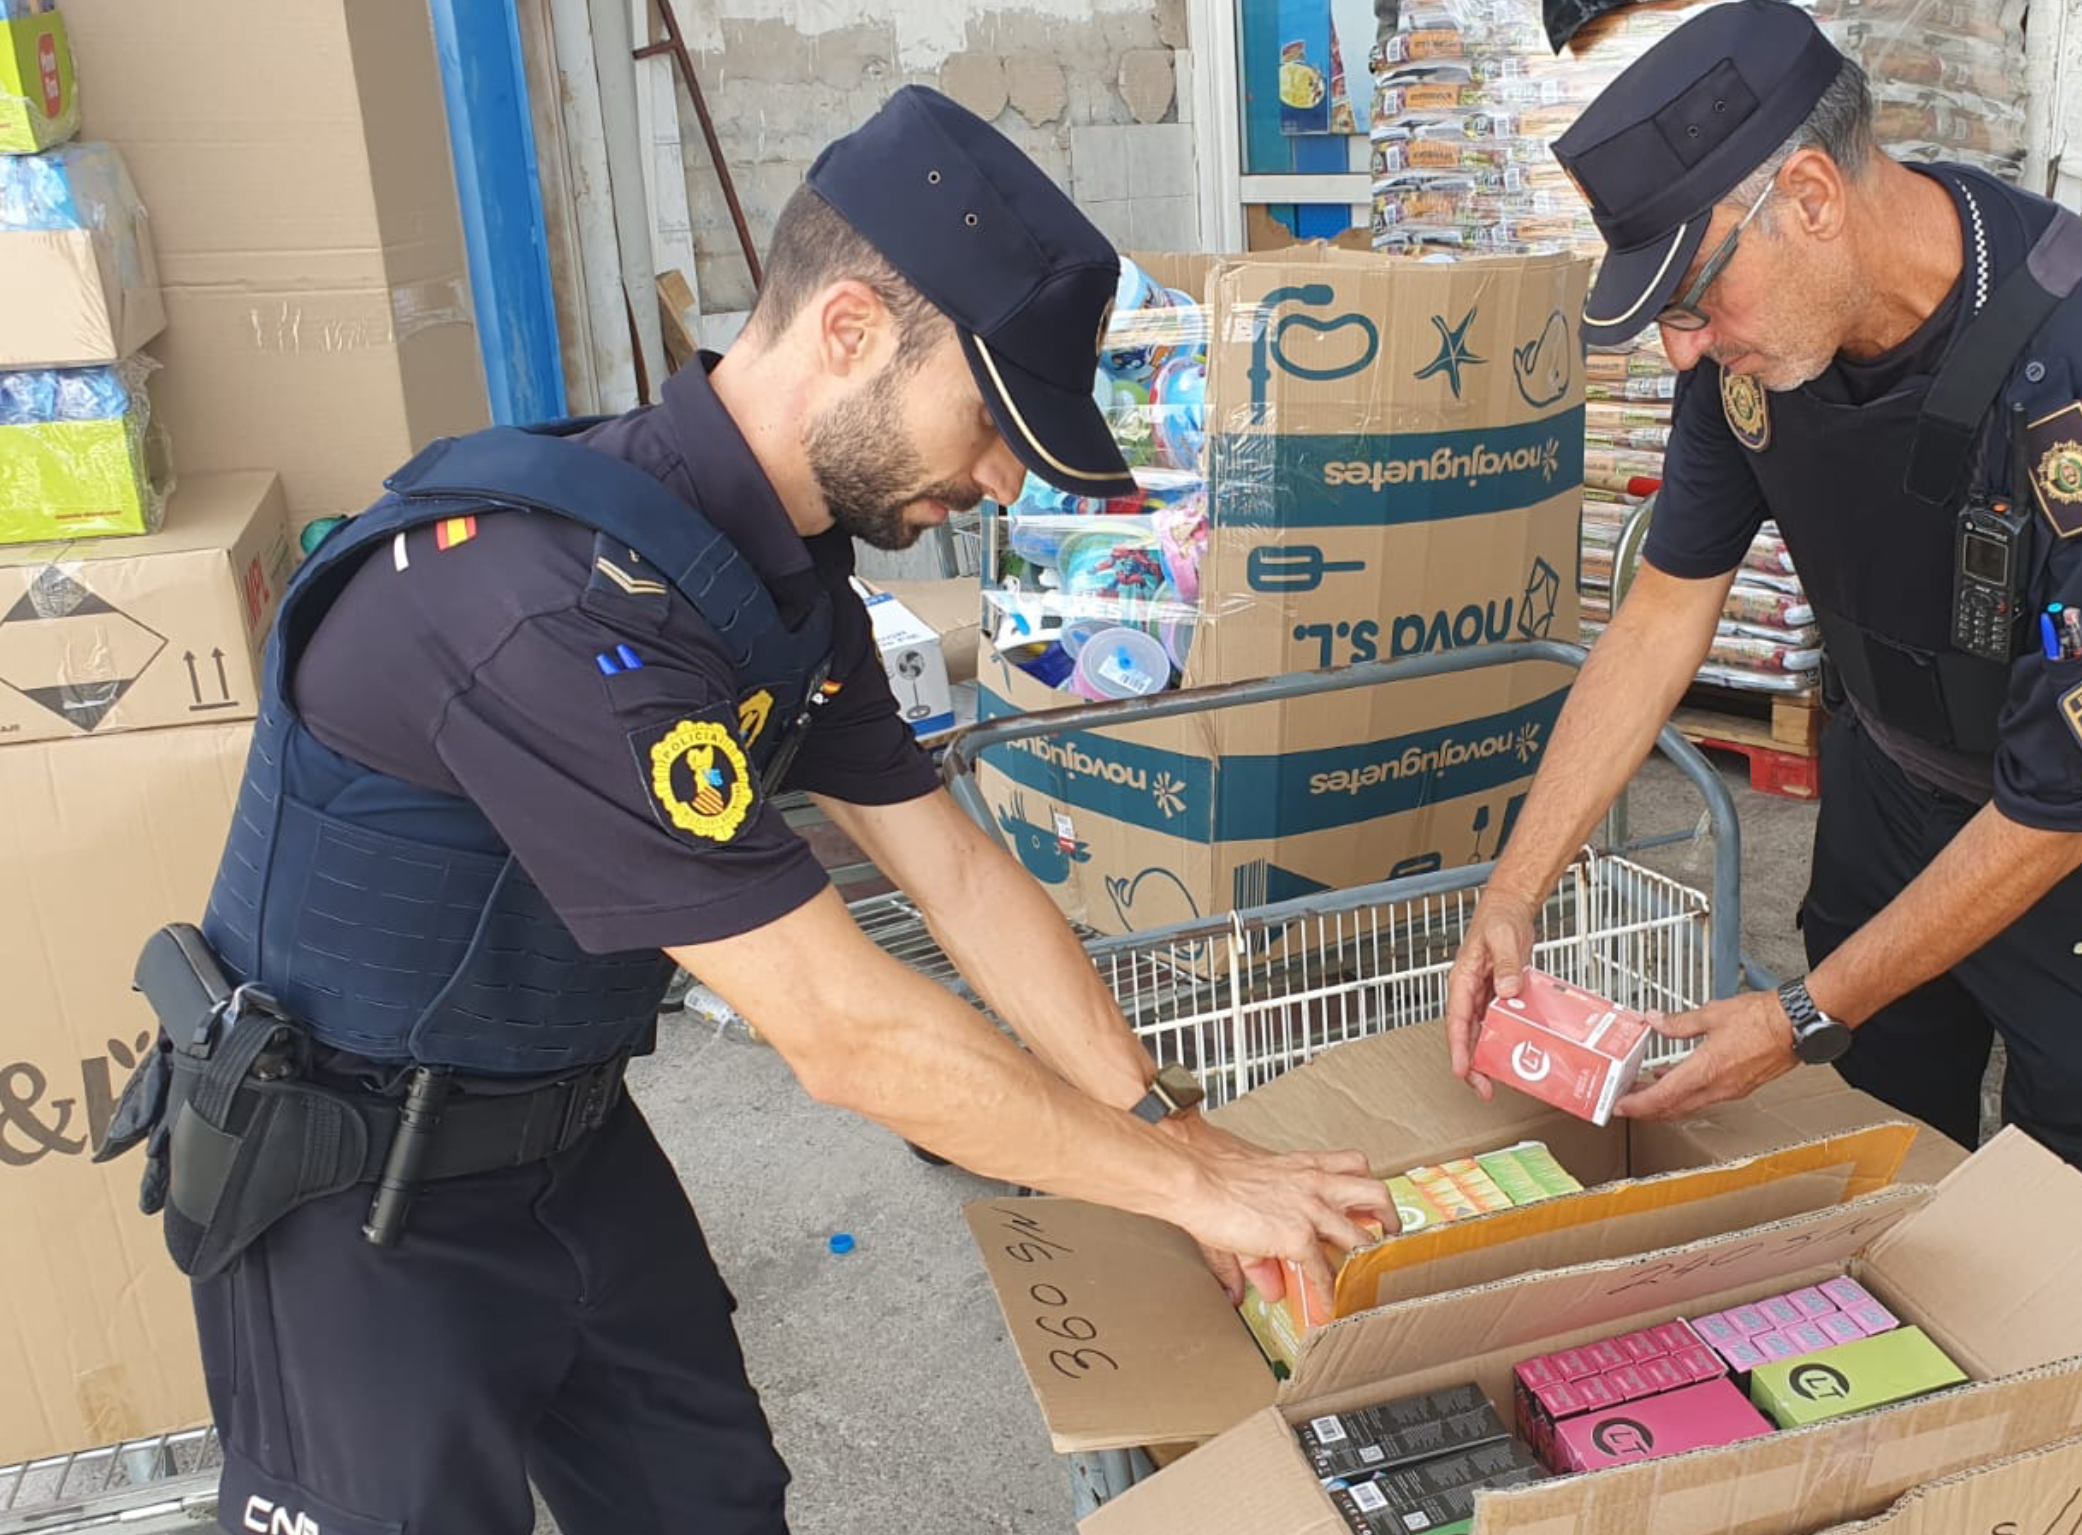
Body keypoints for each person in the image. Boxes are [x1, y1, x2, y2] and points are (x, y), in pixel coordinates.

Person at [103, 87, 1391, 1535]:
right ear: (846, 331)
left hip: (570, 1142)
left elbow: (956, 874)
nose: (998, 478)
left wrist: (1166, 1128)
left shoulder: (768, 581)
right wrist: (1182, 1188)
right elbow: (844, 1029)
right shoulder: (546, 609)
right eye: (989, 418)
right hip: (350, 1202)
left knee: (712, 1500)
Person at [1445, 2, 2082, 1234]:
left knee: (2069, 1239)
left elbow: (2064, 798)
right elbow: (1661, 615)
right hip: (1887, 786)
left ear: (1811, 195)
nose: (1682, 349)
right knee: (1875, 1173)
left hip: (2081, 842)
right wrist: (1513, 886)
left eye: (1694, 296)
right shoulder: (1745, 355)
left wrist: (1797, 1013)